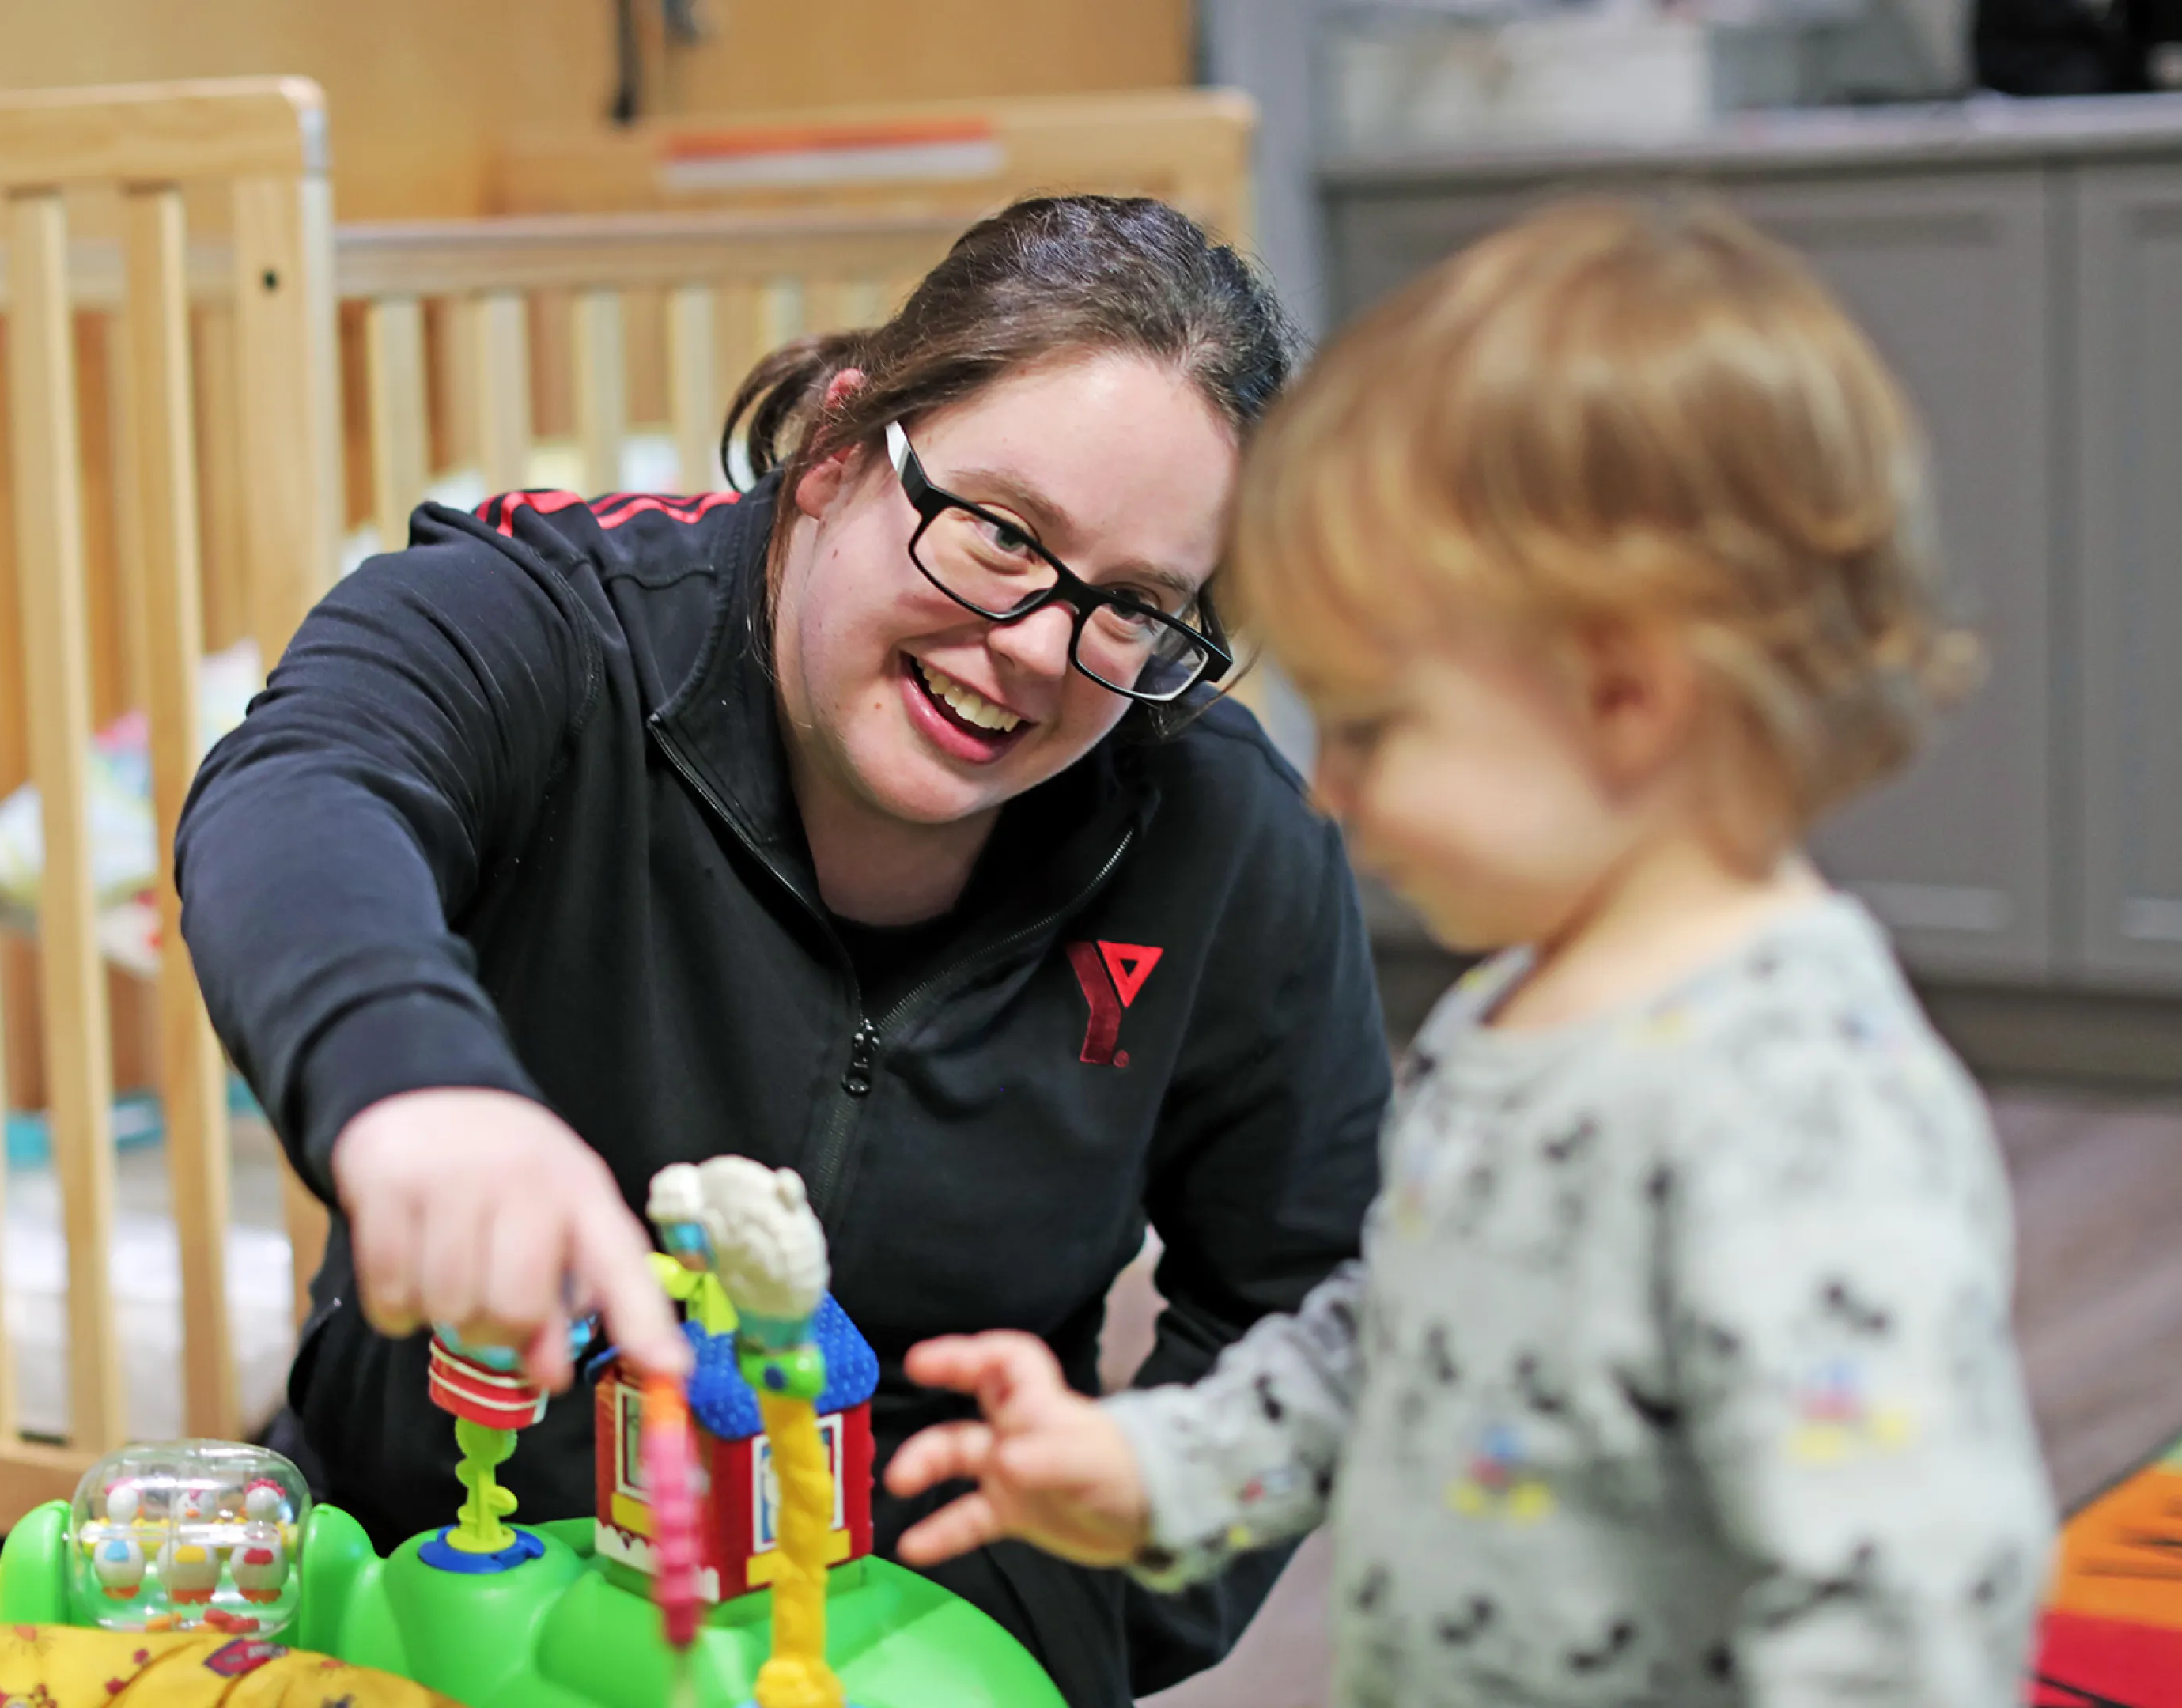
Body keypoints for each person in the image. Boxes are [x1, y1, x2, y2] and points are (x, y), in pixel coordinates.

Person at [174, 195, 1392, 1706]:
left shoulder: (1221, 838)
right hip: (439, 1617)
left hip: (910, 1657)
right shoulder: (555, 625)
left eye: (1132, 604)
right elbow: (308, 786)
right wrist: (415, 1082)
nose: (1031, 643)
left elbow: (1300, 1293)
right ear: (836, 450)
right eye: (1001, 532)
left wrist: (1049, 1616)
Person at [884, 199, 2059, 1705]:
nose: (1333, 787)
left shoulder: (1793, 1099)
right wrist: (1155, 1466)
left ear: (1625, 698)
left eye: (1377, 725)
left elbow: (1904, 1594)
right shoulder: (1519, 1017)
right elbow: (1389, 1344)